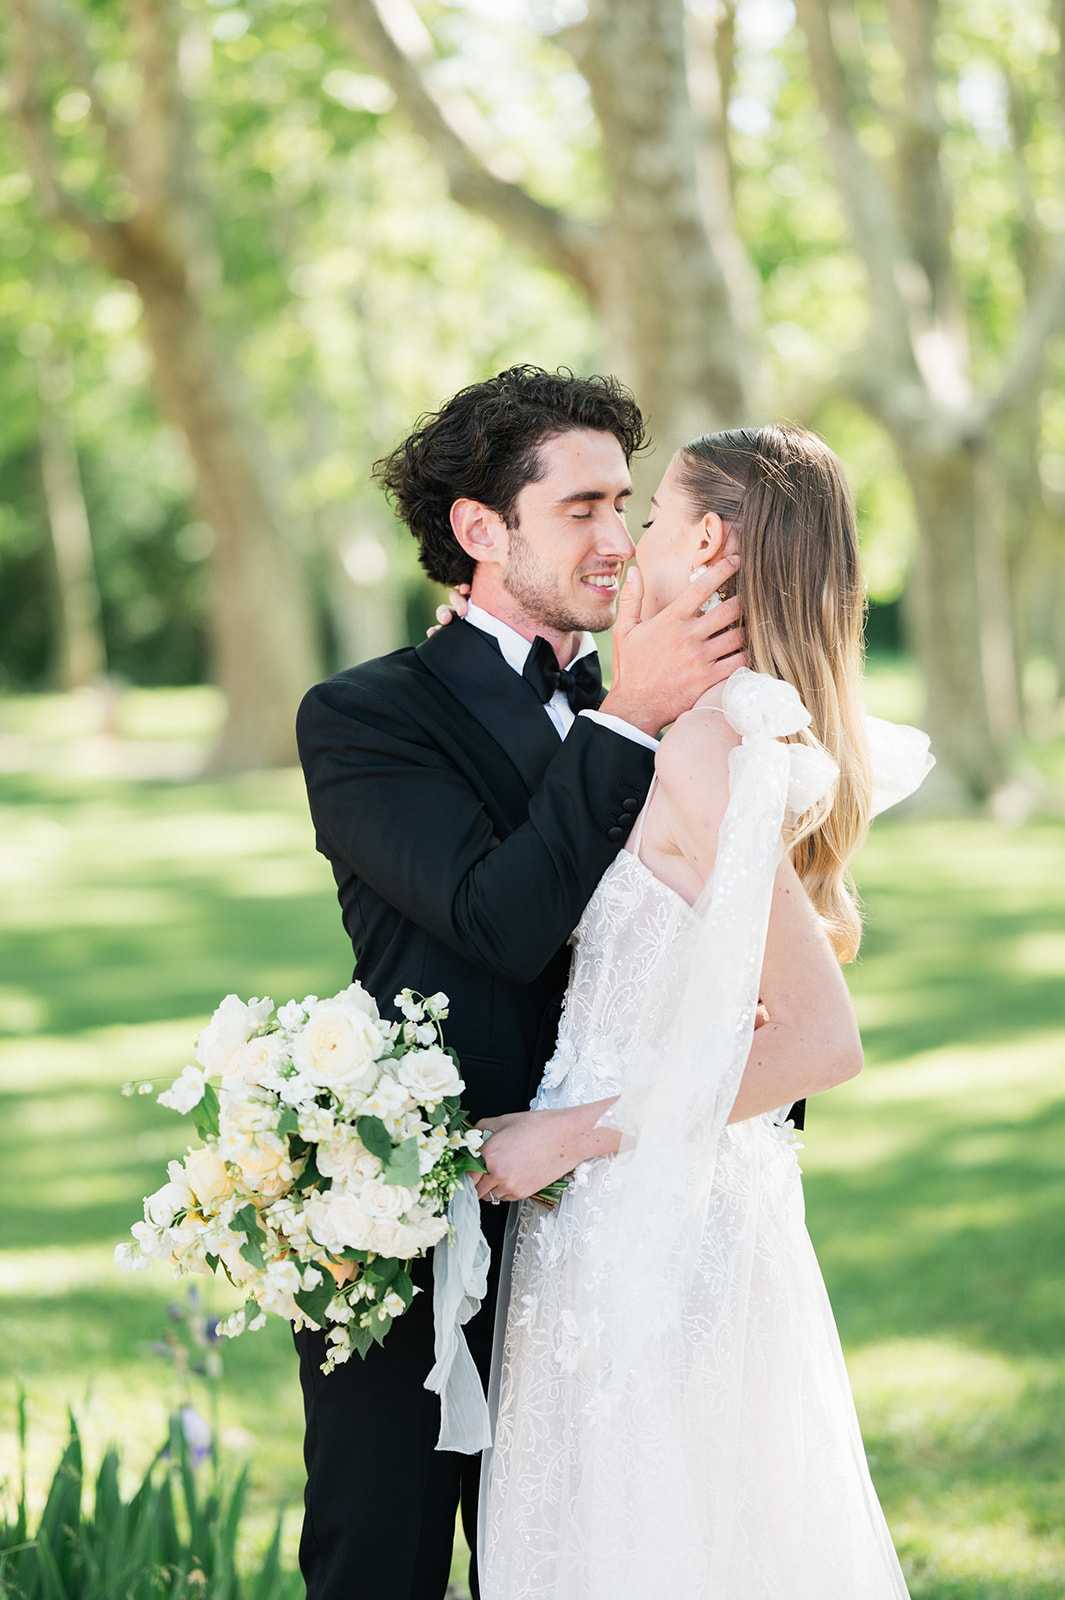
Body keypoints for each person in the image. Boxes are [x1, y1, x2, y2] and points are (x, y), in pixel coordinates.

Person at [293, 366, 753, 1600]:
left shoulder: (663, 709)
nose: (617, 539)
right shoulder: (363, 718)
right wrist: (629, 723)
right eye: (583, 508)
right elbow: (497, 921)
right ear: (481, 530)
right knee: (378, 1559)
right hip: (414, 1212)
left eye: (626, 506)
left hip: (620, 1212)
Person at [472, 425, 932, 1598]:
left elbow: (821, 1041)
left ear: (711, 541)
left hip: (652, 1218)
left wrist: (560, 1136)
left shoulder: (714, 748)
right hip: (622, 1209)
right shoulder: (705, 728)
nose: (632, 539)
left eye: (656, 516)